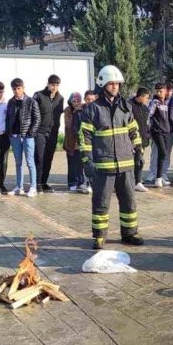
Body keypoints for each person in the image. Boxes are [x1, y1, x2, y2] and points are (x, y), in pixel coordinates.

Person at [81, 65, 143, 249]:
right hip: (103, 164)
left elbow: (134, 130)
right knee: (101, 202)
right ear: (103, 84)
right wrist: (87, 160)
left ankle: (130, 233)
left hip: (125, 163)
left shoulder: (126, 106)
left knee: (129, 201)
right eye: (111, 83)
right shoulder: (92, 109)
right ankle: (99, 236)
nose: (115, 86)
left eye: (117, 83)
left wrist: (139, 151)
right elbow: (85, 137)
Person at [6, 78, 40, 198]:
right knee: (18, 163)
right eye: (14, 89)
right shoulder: (10, 102)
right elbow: (8, 118)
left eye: (19, 88)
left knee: (30, 162)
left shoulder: (31, 101)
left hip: (27, 137)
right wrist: (9, 132)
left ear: (23, 88)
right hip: (14, 137)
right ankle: (19, 187)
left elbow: (37, 119)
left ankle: (33, 187)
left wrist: (31, 133)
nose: (16, 91)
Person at [32, 75, 65, 193]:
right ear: (48, 83)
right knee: (39, 158)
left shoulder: (60, 98)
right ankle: (37, 183)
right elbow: (32, 113)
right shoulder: (39, 95)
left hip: (53, 133)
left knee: (48, 159)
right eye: (52, 84)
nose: (54, 87)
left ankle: (44, 182)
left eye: (56, 85)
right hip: (40, 132)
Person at [130, 87, 152, 192]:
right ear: (141, 96)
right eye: (146, 98)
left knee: (140, 161)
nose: (147, 100)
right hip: (132, 140)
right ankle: (135, 181)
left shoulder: (145, 108)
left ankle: (137, 181)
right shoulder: (129, 106)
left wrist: (147, 135)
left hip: (143, 139)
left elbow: (146, 124)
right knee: (135, 161)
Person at [64, 92, 85, 192]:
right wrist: (75, 113)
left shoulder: (83, 109)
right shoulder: (68, 110)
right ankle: (72, 183)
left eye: (78, 101)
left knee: (81, 164)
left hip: (81, 141)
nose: (75, 103)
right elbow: (69, 125)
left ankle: (81, 182)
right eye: (74, 101)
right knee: (72, 163)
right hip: (70, 141)